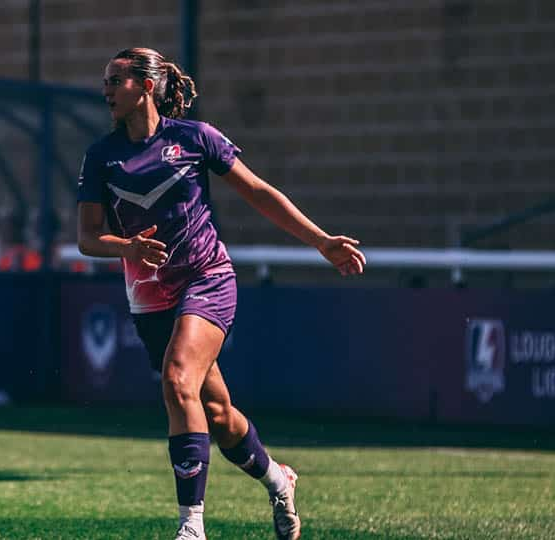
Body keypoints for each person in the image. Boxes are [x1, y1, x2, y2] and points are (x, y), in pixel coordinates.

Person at [76, 48, 366, 540]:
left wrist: (321, 241)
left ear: (147, 86)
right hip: (150, 298)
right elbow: (86, 237)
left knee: (176, 379)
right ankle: (279, 479)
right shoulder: (101, 156)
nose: (106, 89)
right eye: (105, 81)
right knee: (216, 415)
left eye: (116, 80)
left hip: (207, 278)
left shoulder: (194, 137)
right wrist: (126, 247)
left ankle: (192, 527)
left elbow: (257, 191)